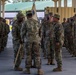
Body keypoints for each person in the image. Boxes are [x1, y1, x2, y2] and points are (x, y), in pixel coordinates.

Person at [21, 10, 44, 75]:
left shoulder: (25, 23)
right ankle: (39, 70)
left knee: (28, 55)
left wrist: (22, 39)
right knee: (37, 55)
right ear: (32, 15)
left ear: (27, 15)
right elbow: (40, 32)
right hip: (36, 40)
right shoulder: (37, 22)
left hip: (28, 41)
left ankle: (27, 69)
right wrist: (39, 39)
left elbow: (22, 32)